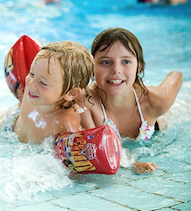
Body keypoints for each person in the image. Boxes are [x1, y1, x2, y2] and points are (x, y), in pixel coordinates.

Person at [77, 28, 183, 174]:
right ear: (92, 67)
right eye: (106, 62)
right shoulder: (86, 103)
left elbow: (176, 75)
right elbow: (97, 150)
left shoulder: (157, 100)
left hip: (163, 120)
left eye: (126, 61)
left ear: (138, 67)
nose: (116, 70)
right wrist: (133, 163)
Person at [0, 41, 94, 144]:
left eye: (43, 82)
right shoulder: (36, 89)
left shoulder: (64, 124)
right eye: (31, 73)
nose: (30, 84)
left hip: (20, 137)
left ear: (71, 93)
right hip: (10, 122)